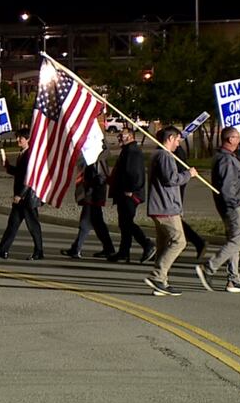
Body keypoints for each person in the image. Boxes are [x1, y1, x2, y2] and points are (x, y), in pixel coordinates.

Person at [195, 127, 240, 293]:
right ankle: (209, 267)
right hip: (234, 207)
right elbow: (227, 187)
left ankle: (234, 279)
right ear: (230, 139)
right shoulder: (226, 160)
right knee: (237, 241)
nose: (239, 140)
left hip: (234, 205)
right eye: (237, 137)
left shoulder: (229, 158)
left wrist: (239, 162)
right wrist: (236, 204)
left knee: (234, 242)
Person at [143, 126, 198, 296]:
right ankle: (157, 276)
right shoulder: (165, 156)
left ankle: (161, 283)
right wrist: (188, 174)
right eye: (178, 139)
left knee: (163, 244)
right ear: (170, 138)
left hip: (160, 206)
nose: (178, 143)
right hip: (166, 207)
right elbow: (171, 180)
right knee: (179, 241)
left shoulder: (158, 155)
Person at [0, 128, 44, 260]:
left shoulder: (30, 155)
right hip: (21, 198)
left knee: (33, 226)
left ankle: (39, 251)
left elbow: (29, 178)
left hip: (27, 198)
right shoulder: (23, 153)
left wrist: (20, 195)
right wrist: (8, 167)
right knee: (12, 224)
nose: (18, 140)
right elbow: (20, 173)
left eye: (21, 138)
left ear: (28, 139)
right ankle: (3, 250)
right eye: (17, 137)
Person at [107, 127, 155, 263]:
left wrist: (130, 190)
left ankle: (147, 244)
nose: (119, 137)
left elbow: (135, 174)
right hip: (123, 193)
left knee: (127, 222)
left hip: (129, 194)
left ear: (131, 137)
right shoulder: (127, 151)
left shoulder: (132, 151)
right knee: (124, 223)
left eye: (122, 135)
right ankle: (124, 252)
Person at [60, 142, 115, 259]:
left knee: (85, 222)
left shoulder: (96, 160)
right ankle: (109, 248)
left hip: (92, 195)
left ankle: (76, 249)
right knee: (98, 223)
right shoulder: (96, 159)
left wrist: (88, 185)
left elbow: (100, 178)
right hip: (93, 195)